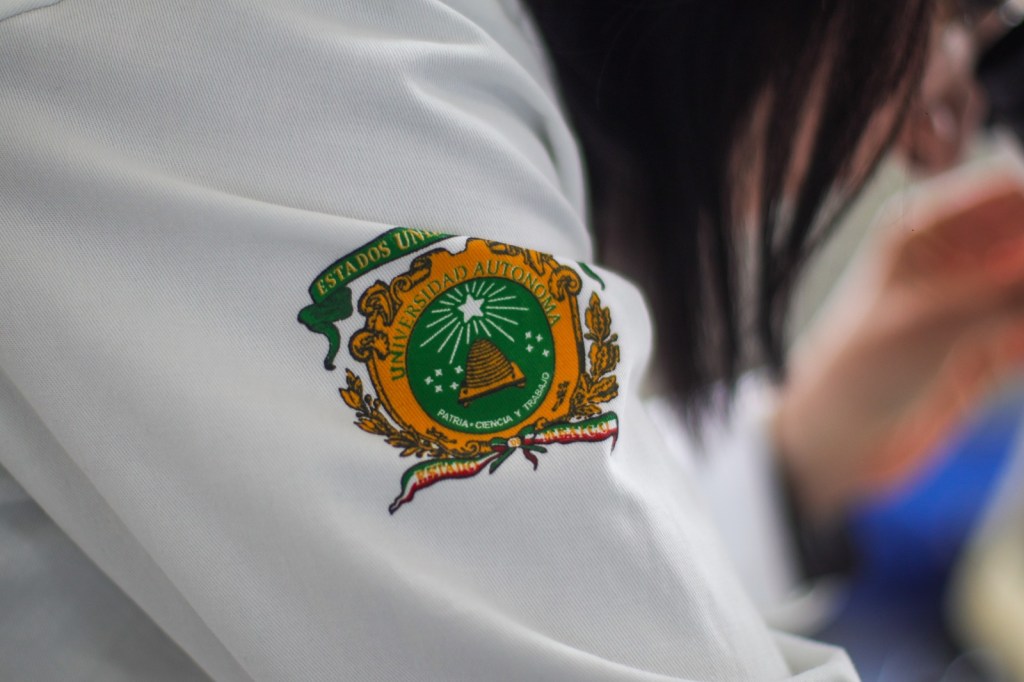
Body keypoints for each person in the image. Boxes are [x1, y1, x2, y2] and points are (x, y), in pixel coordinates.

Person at [1, 1, 1023, 680]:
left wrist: (796, 461)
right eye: (951, 25)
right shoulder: (305, 58)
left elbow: (511, 571)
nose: (935, 139)